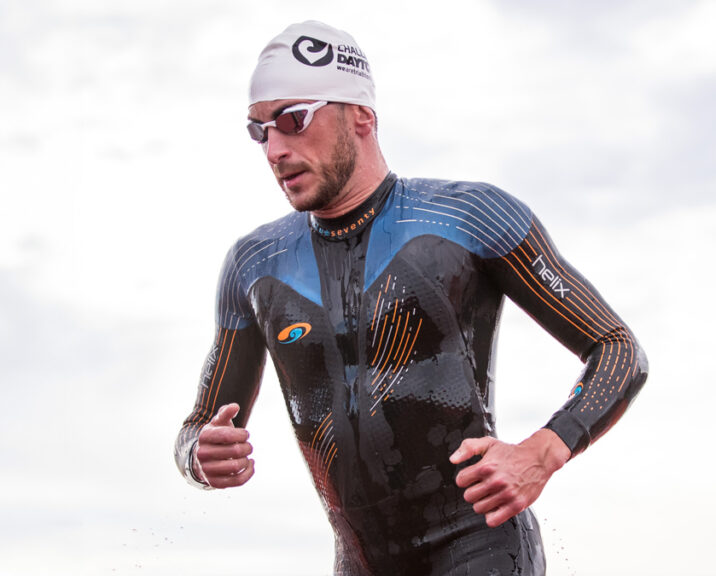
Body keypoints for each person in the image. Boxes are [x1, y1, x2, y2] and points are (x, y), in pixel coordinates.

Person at [174, 20, 647, 576]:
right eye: (260, 131)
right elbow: (199, 424)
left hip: (481, 549)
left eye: (293, 120)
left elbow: (618, 348)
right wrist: (197, 455)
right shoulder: (254, 265)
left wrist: (542, 451)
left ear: (362, 116)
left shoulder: (470, 217)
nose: (275, 148)